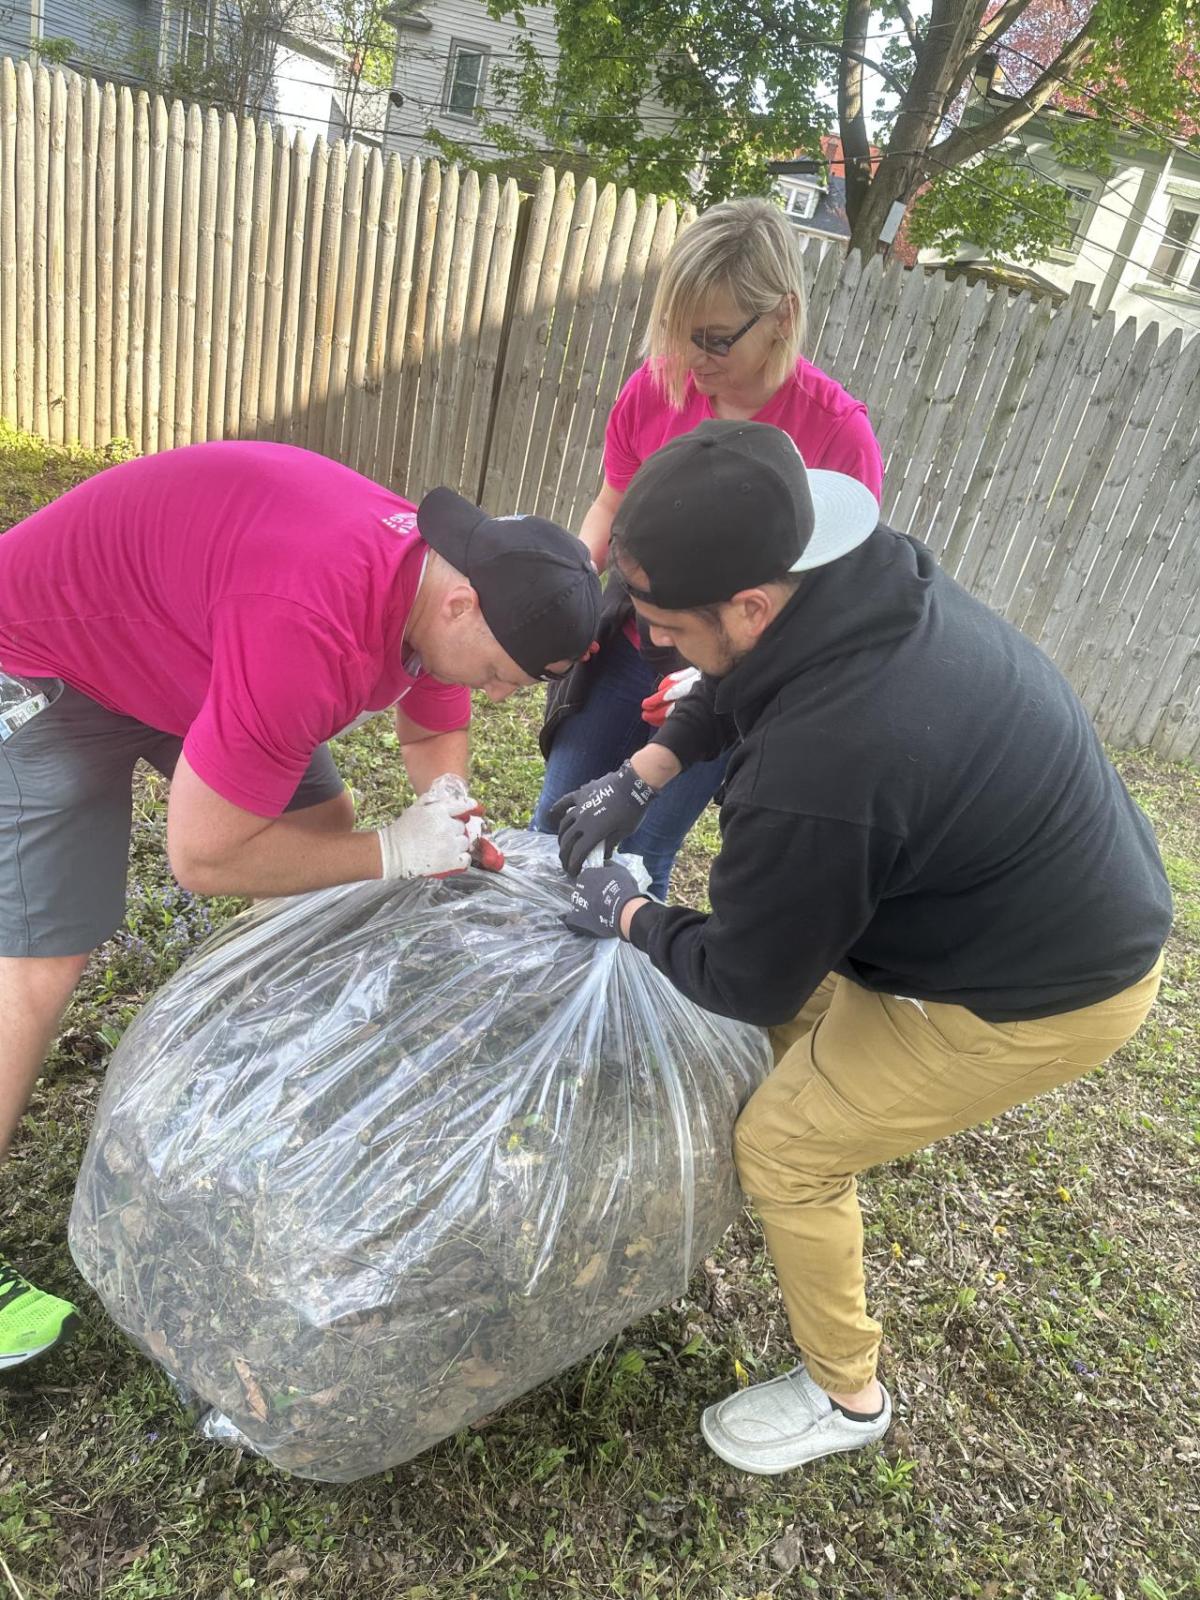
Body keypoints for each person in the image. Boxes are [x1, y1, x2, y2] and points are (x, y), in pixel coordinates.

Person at [554, 420, 1172, 1476]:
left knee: (787, 1144)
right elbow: (739, 679)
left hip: (1040, 985)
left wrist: (627, 910)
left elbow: (743, 975)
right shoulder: (852, 574)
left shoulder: (823, 767)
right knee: (781, 1048)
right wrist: (648, 768)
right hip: (999, 889)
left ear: (750, 603)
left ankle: (846, 1395)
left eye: (662, 624)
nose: (651, 644)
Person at [0, 439, 600, 1372]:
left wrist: (447, 814)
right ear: (460, 602)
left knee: (328, 831)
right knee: (42, 962)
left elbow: (434, 709)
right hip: (43, 652)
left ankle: (286, 1066)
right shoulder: (311, 628)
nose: (493, 693)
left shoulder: (447, 581)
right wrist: (393, 853)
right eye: (499, 677)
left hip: (189, 635)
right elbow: (200, 858)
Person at [530, 198, 883, 898]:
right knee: (560, 822)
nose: (691, 360)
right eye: (678, 335)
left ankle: (618, 1001)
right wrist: (566, 588)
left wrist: (714, 683)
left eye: (715, 339)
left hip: (728, 672)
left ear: (782, 315)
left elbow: (829, 604)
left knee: (646, 848)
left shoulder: (838, 437)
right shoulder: (655, 389)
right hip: (630, 650)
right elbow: (612, 501)